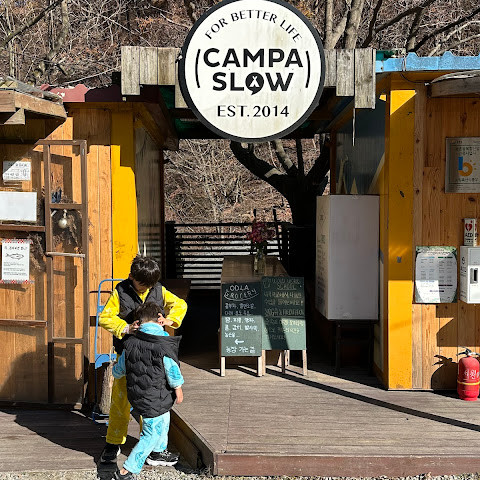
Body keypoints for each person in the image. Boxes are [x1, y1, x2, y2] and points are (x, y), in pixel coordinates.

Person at [98, 255, 187, 465]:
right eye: (141, 284)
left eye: (149, 285)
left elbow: (180, 304)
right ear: (131, 276)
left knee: (153, 401)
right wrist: (126, 328)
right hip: (128, 354)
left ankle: (154, 449)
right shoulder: (120, 292)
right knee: (120, 402)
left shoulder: (159, 290)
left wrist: (170, 320)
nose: (145, 288)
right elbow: (105, 317)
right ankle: (113, 443)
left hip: (155, 357)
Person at [111, 302, 184, 480]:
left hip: (140, 395)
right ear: (160, 320)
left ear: (138, 322)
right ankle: (127, 470)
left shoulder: (130, 343)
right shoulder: (163, 343)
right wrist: (178, 388)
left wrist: (115, 371)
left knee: (164, 419)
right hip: (156, 395)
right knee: (150, 434)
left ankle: (158, 452)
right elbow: (172, 369)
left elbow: (120, 369)